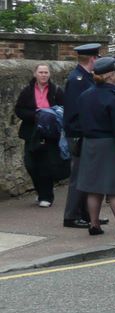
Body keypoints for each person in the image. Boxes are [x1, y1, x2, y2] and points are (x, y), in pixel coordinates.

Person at [77, 57, 115, 238]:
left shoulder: (85, 95)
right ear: (111, 75)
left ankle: (94, 224)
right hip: (109, 144)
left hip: (89, 143)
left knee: (93, 187)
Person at [15, 63, 66, 208]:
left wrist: (52, 114)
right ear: (35, 74)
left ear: (49, 74)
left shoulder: (56, 91)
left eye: (46, 72)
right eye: (41, 72)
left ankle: (46, 196)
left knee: (46, 165)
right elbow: (19, 110)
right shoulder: (27, 91)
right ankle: (40, 190)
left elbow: (64, 109)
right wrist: (36, 114)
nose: (44, 75)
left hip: (50, 132)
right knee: (30, 164)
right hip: (31, 132)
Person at [63, 43, 102, 229]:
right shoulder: (78, 79)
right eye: (97, 58)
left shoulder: (85, 77)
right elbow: (75, 111)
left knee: (87, 176)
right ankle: (71, 215)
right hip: (78, 134)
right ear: (92, 59)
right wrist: (80, 133)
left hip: (83, 133)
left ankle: (87, 214)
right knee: (78, 176)